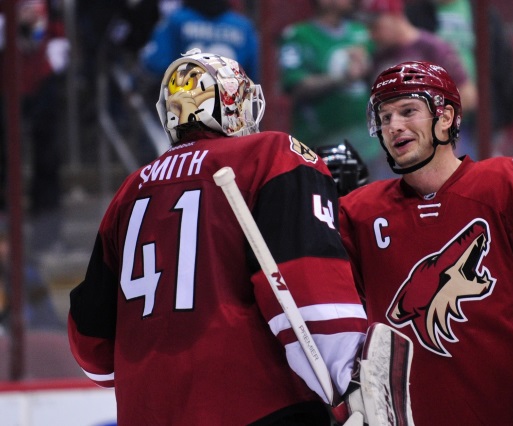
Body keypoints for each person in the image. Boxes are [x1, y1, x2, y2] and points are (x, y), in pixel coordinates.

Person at [67, 50, 368, 425]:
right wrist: (354, 384)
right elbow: (310, 297)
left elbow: (92, 347)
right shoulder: (271, 153)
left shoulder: (131, 190)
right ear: (230, 101)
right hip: (258, 406)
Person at [338, 61, 513, 424]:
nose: (395, 126)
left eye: (408, 111)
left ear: (445, 117)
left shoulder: (507, 184)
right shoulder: (358, 214)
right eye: (385, 116)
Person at [358, 0, 478, 159]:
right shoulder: (378, 58)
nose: (371, 34)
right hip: (392, 150)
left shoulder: (433, 49)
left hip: (436, 147)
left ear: (395, 16)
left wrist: (428, 122)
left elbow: (468, 96)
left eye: (375, 26)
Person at [278, 0, 382, 179]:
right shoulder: (298, 35)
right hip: (322, 139)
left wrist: (366, 65)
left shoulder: (361, 32)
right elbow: (297, 86)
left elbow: (378, 77)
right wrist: (343, 78)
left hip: (366, 140)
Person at [0, 0, 69, 252]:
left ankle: (48, 237)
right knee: (3, 162)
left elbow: (57, 30)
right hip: (6, 83)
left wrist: (54, 57)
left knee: (48, 162)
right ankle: (4, 238)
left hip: (41, 81)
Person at [140, 0, 260, 81]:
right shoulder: (243, 27)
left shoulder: (177, 20)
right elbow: (257, 73)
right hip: (229, 109)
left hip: (184, 106)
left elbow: (155, 63)